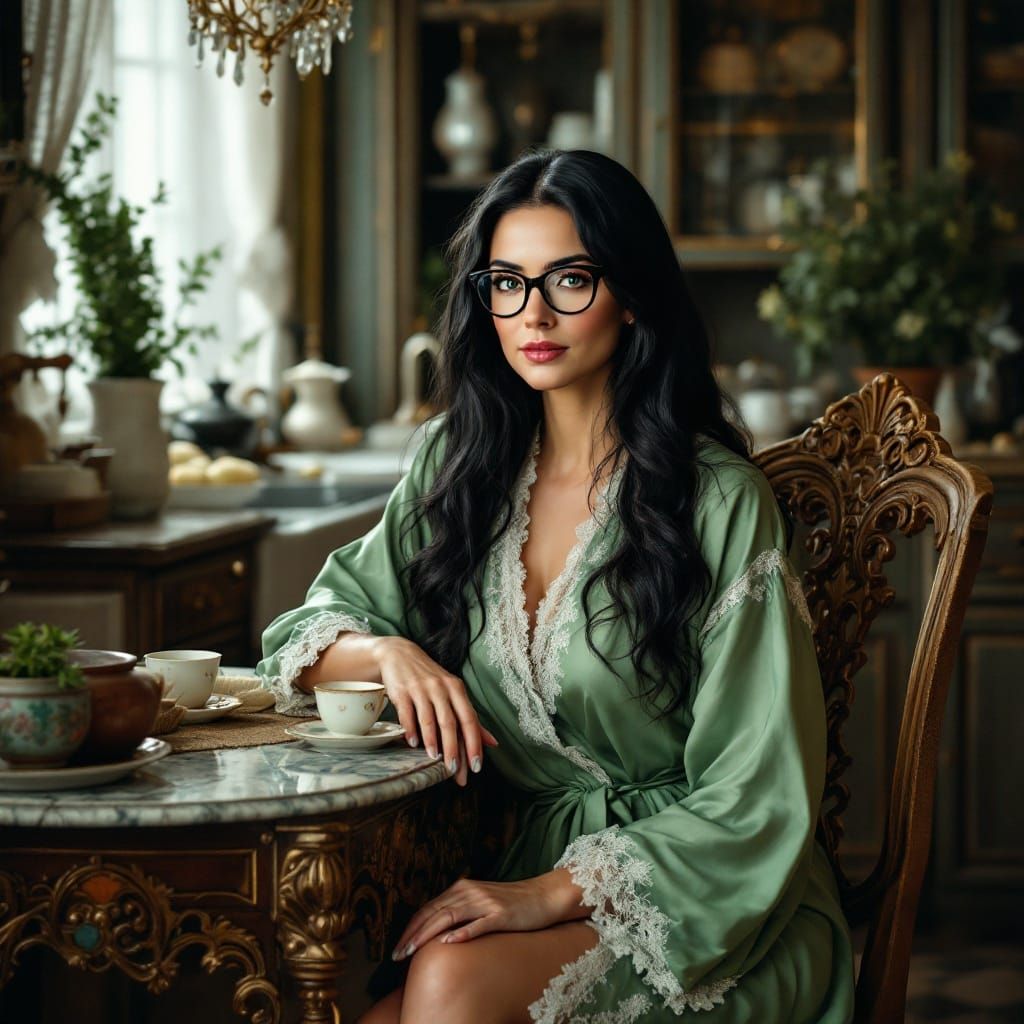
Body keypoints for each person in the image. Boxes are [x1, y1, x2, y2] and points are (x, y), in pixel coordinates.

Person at [257, 149, 855, 1023]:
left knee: (447, 988)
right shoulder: (454, 468)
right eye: (506, 282)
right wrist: (389, 654)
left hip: (710, 897)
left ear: (634, 293)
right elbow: (302, 636)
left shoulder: (718, 500)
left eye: (569, 279)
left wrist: (550, 892)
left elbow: (757, 791)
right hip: (508, 871)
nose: (532, 313)